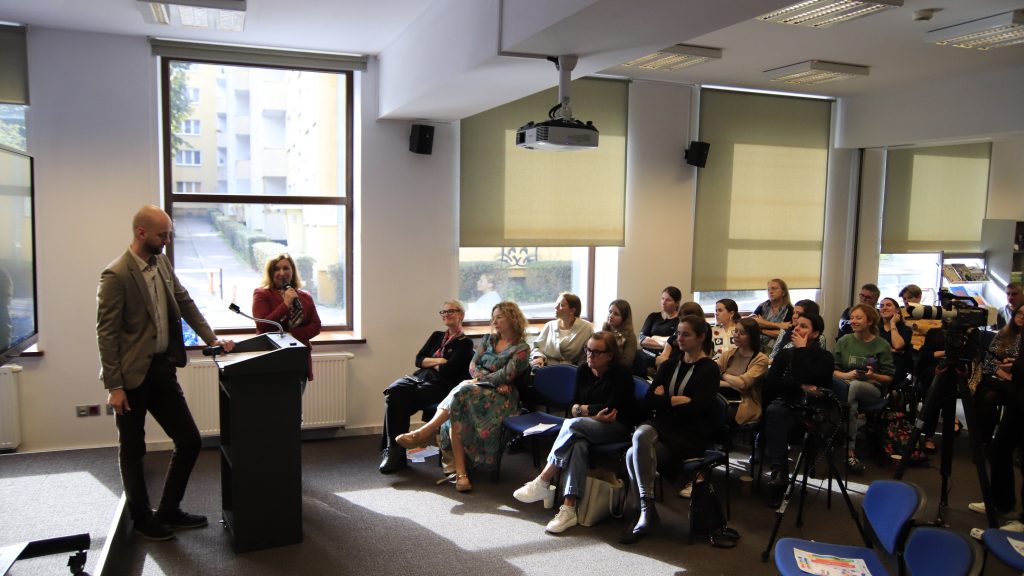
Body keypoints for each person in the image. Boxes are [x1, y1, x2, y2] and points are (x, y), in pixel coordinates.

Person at [96, 205, 236, 541]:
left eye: (169, 233)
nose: (168, 240)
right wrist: (114, 386)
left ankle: (169, 509)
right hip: (129, 378)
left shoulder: (161, 263)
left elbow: (184, 301)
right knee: (133, 449)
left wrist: (212, 338)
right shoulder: (116, 275)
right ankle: (143, 518)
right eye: (163, 234)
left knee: (188, 440)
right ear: (141, 232)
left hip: (161, 369)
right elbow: (106, 334)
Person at [512, 331, 639, 533]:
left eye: (597, 352)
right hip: (588, 425)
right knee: (578, 443)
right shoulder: (583, 371)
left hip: (617, 428)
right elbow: (572, 405)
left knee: (571, 426)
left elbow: (611, 408)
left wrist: (582, 411)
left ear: (610, 355)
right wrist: (586, 412)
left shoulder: (622, 374)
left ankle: (543, 480)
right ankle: (569, 508)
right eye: (588, 350)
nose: (591, 355)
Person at [396, 302, 530, 492]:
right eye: (493, 317)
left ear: (512, 318)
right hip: (476, 390)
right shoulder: (488, 339)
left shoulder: (522, 348)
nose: (494, 321)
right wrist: (479, 380)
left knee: (462, 390)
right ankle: (461, 473)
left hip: (502, 398)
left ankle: (424, 434)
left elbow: (506, 376)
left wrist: (479, 380)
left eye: (499, 317)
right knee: (459, 401)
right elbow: (472, 366)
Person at [621, 315, 718, 544]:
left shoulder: (709, 369)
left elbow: (698, 409)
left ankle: (644, 512)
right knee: (640, 434)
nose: (679, 339)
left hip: (689, 435)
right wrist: (677, 401)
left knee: (631, 453)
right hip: (664, 426)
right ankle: (647, 509)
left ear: (701, 337)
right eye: (678, 334)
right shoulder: (670, 364)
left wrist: (665, 400)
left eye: (686, 334)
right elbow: (648, 401)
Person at [378, 300, 474, 474]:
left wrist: (430, 363)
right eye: (443, 312)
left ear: (461, 314)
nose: (446, 314)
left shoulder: (465, 343)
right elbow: (418, 359)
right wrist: (439, 361)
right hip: (420, 379)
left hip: (442, 386)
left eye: (451, 311)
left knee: (397, 398)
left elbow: (448, 371)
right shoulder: (437, 336)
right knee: (394, 391)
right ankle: (395, 451)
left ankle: (394, 453)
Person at [761, 313, 834, 490]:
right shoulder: (785, 354)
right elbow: (771, 382)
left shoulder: (825, 357)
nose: (797, 329)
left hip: (813, 410)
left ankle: (780, 475)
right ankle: (780, 472)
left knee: (777, 415)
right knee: (774, 411)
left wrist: (801, 351)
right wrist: (799, 385)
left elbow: (816, 380)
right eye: (796, 325)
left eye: (803, 326)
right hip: (786, 404)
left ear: (815, 334)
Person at [832, 303, 894, 474]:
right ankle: (850, 449)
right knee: (850, 398)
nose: (853, 321)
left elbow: (888, 377)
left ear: (869, 321)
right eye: (851, 318)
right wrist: (847, 375)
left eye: (858, 318)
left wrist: (872, 376)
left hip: (871, 389)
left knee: (855, 386)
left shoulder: (882, 345)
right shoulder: (844, 341)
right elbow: (833, 370)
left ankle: (843, 433)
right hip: (846, 385)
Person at [252, 253, 322, 392]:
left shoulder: (304, 296)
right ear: (271, 273)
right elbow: (263, 325)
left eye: (286, 268)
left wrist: (291, 335)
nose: (282, 273)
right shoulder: (262, 294)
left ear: (293, 271)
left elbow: (316, 325)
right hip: (271, 359)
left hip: (298, 359)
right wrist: (285, 304)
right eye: (277, 269)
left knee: (295, 407)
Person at [973, 302, 1024, 448]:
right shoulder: (1004, 334)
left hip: (1018, 382)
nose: (1021, 317)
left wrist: (1013, 366)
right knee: (989, 396)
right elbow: (988, 361)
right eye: (1019, 313)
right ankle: (984, 441)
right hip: (999, 378)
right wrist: (1004, 374)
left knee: (995, 394)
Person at [717, 318, 769, 426]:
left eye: (742, 333)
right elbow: (712, 376)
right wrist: (732, 383)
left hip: (745, 403)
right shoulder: (728, 354)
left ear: (752, 337)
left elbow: (743, 384)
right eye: (735, 331)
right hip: (722, 397)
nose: (736, 335)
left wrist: (723, 375)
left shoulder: (761, 359)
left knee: (715, 415)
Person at [530, 292, 594, 367]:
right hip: (547, 367)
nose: (556, 307)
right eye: (556, 304)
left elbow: (587, 355)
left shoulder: (586, 327)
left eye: (561, 305)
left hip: (573, 370)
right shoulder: (549, 325)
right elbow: (537, 347)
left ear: (572, 311)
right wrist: (539, 357)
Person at [637, 286, 682, 373]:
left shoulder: (680, 321)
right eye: (662, 298)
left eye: (668, 300)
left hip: (668, 356)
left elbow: (676, 341)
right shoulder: (653, 317)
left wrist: (654, 337)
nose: (664, 302)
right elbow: (642, 339)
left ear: (676, 303)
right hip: (649, 355)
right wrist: (666, 344)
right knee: (637, 354)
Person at [655, 301, 705, 368]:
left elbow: (702, 364)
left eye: (686, 334)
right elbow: (660, 361)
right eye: (681, 319)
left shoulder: (704, 341)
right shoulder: (673, 339)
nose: (680, 339)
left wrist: (668, 362)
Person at [752, 278, 794, 355]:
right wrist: (779, 325)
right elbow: (752, 323)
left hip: (778, 348)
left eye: (774, 289)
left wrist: (762, 327)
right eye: (768, 289)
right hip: (757, 345)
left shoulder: (790, 310)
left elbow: (784, 335)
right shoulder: (763, 306)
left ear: (783, 292)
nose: (770, 292)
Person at [878, 297, 912, 385]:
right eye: (881, 306)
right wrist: (891, 350)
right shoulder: (875, 329)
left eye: (888, 305)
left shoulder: (905, 329)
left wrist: (893, 324)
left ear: (897, 310)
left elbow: (897, 345)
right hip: (875, 362)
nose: (884, 308)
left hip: (895, 366)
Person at [900, 283, 940, 351]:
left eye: (909, 298)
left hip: (922, 347)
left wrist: (917, 327)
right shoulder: (899, 312)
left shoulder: (930, 312)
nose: (906, 301)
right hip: (903, 346)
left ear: (919, 297)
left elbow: (936, 331)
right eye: (904, 298)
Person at [603, 299, 638, 368]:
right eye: (610, 312)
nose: (611, 316)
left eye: (616, 314)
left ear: (624, 318)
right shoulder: (605, 328)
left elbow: (626, 362)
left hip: (617, 370)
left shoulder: (630, 336)